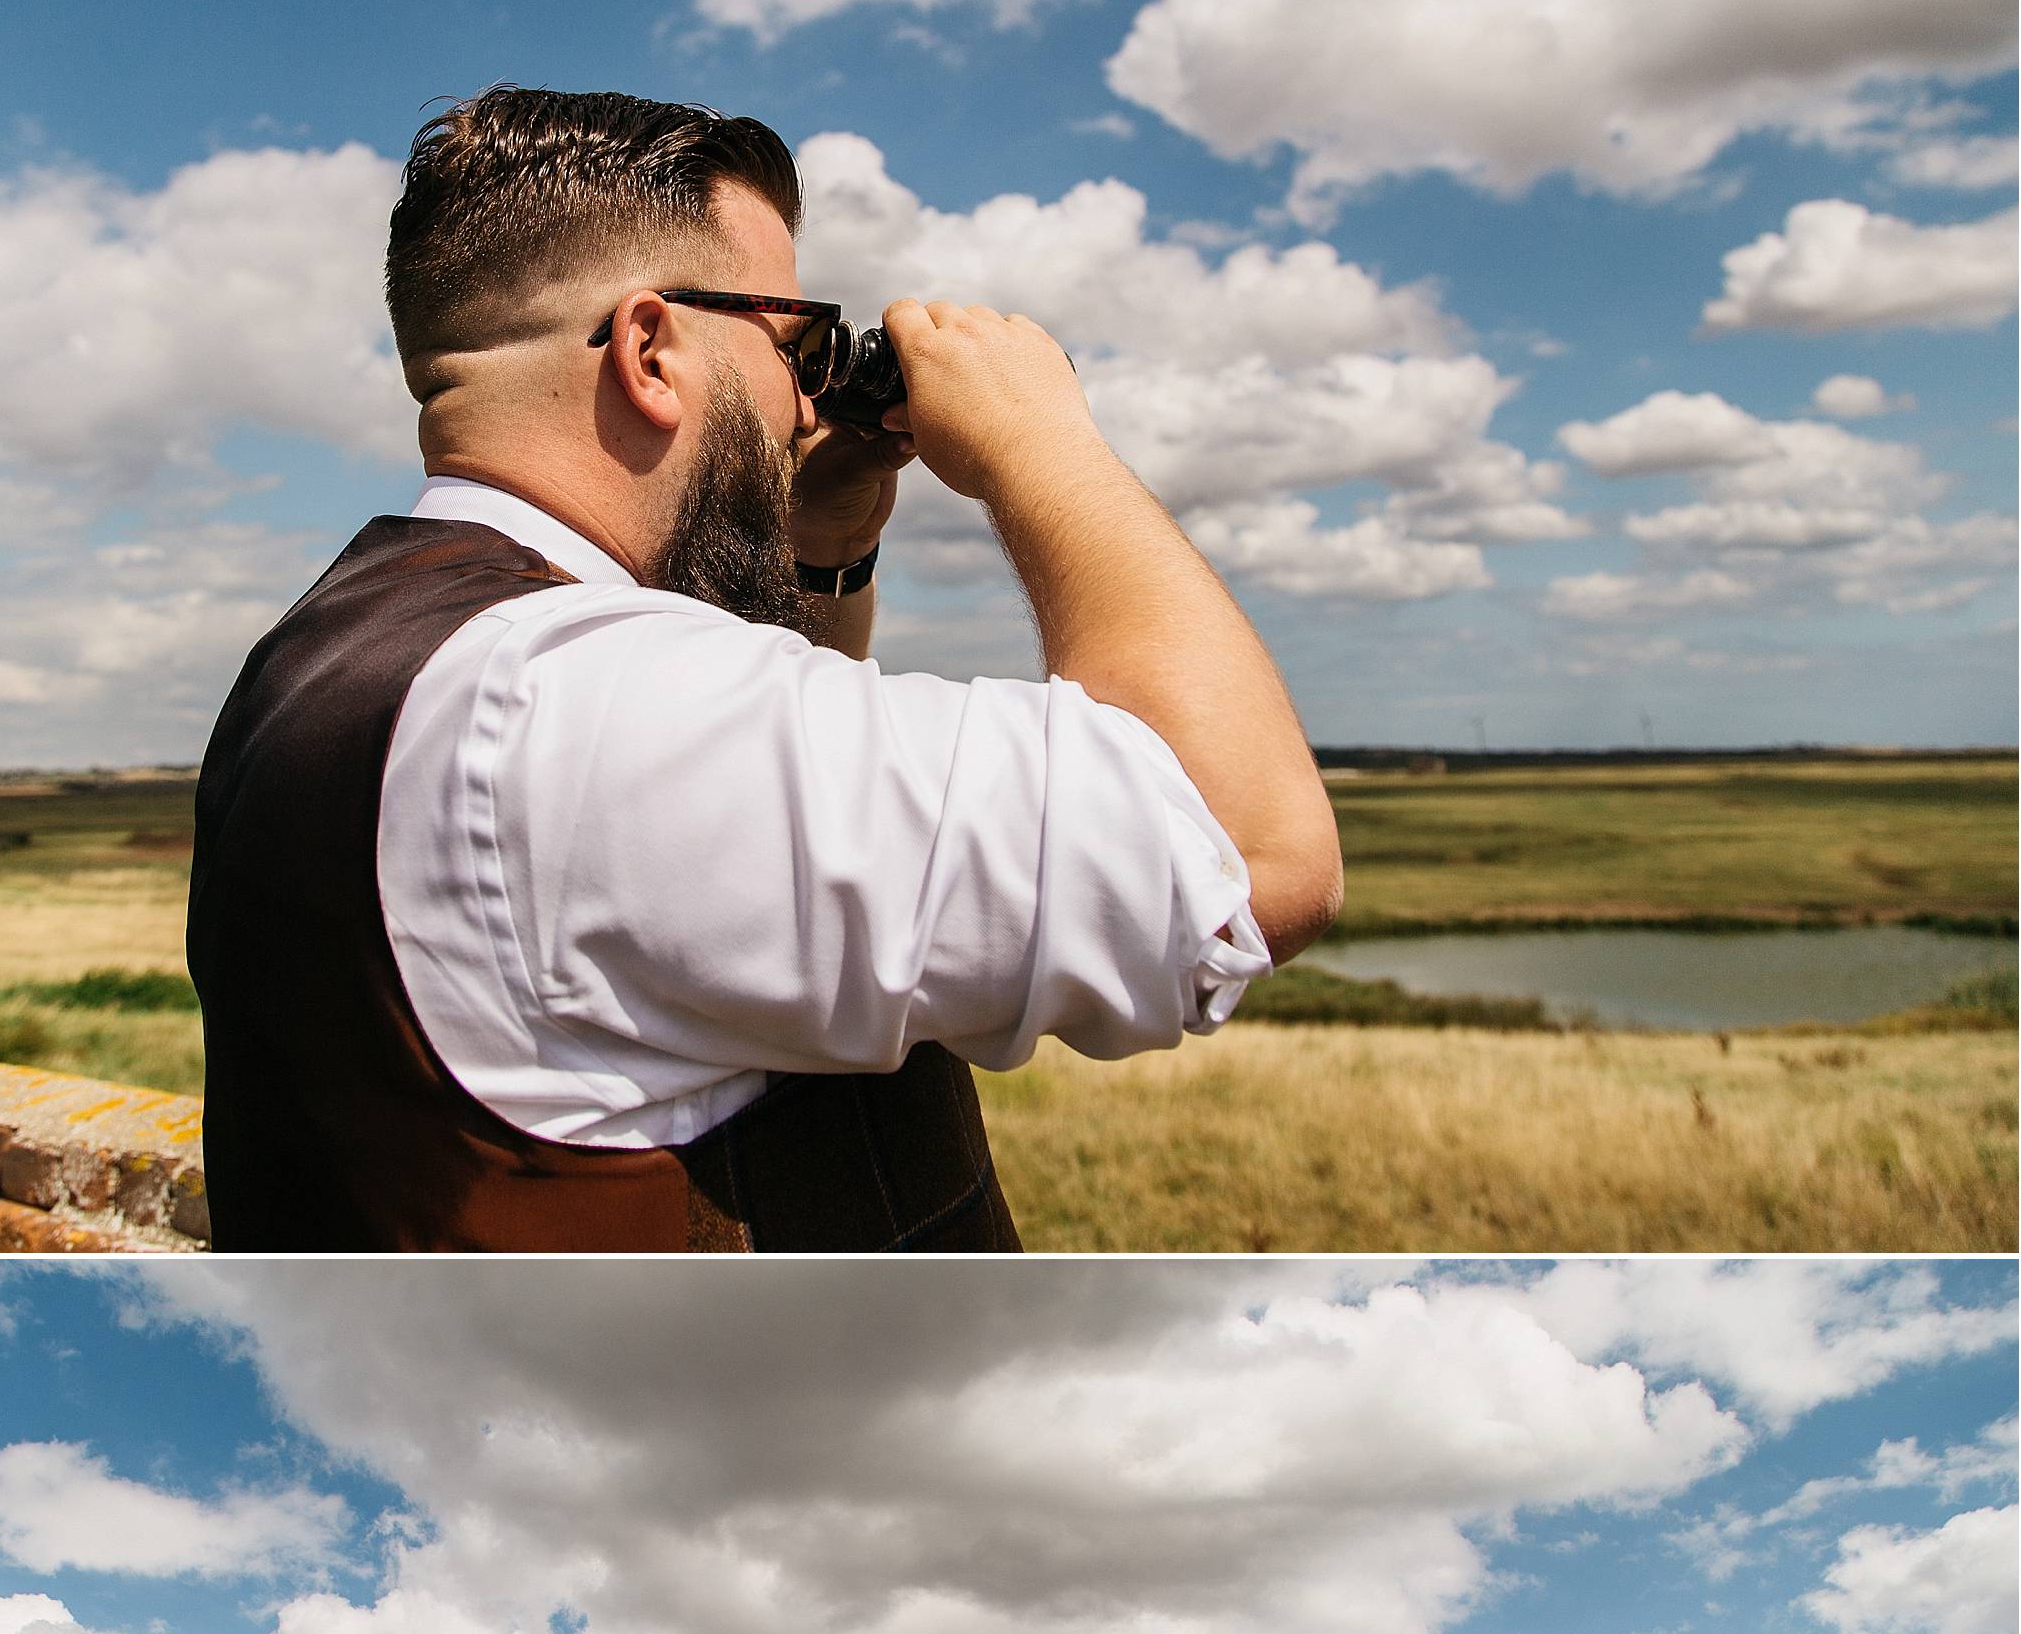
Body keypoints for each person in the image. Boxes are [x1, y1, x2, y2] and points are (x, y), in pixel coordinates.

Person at [188, 83, 1343, 1250]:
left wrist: (826, 547)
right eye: (792, 343)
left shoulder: (330, 655)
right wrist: (1042, 442)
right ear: (649, 347)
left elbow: (746, 846)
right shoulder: (575, 704)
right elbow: (1245, 854)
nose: (804, 403)